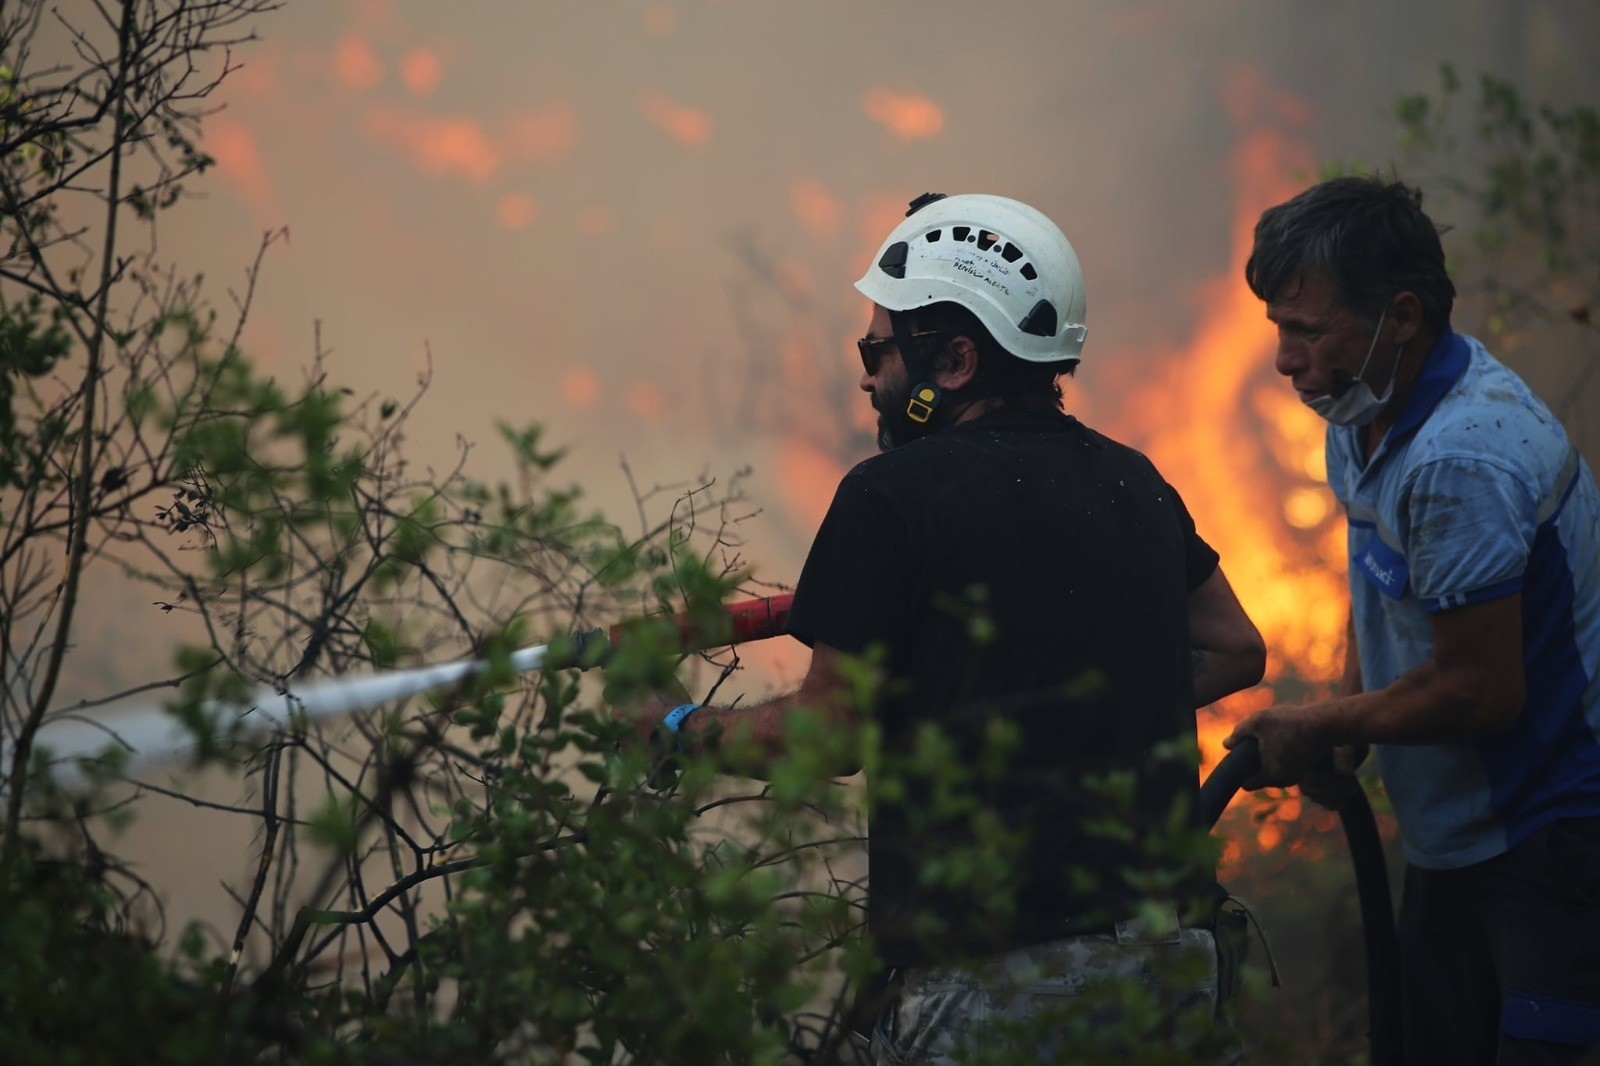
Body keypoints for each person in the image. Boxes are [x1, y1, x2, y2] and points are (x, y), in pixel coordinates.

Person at [621, 192, 1265, 1063]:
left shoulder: (892, 496)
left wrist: (674, 727)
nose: (865, 375)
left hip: (1002, 988)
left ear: (955, 360)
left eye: (878, 348)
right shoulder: (1135, 480)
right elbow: (1234, 648)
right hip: (1172, 966)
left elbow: (827, 734)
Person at [1225, 176, 1600, 1064]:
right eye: (1281, 330)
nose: (1285, 359)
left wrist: (1324, 721)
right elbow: (1380, 591)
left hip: (1554, 833)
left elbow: (1481, 689)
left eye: (1306, 331)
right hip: (1453, 838)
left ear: (1400, 315)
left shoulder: (1462, 457)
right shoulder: (1360, 412)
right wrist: (1349, 721)